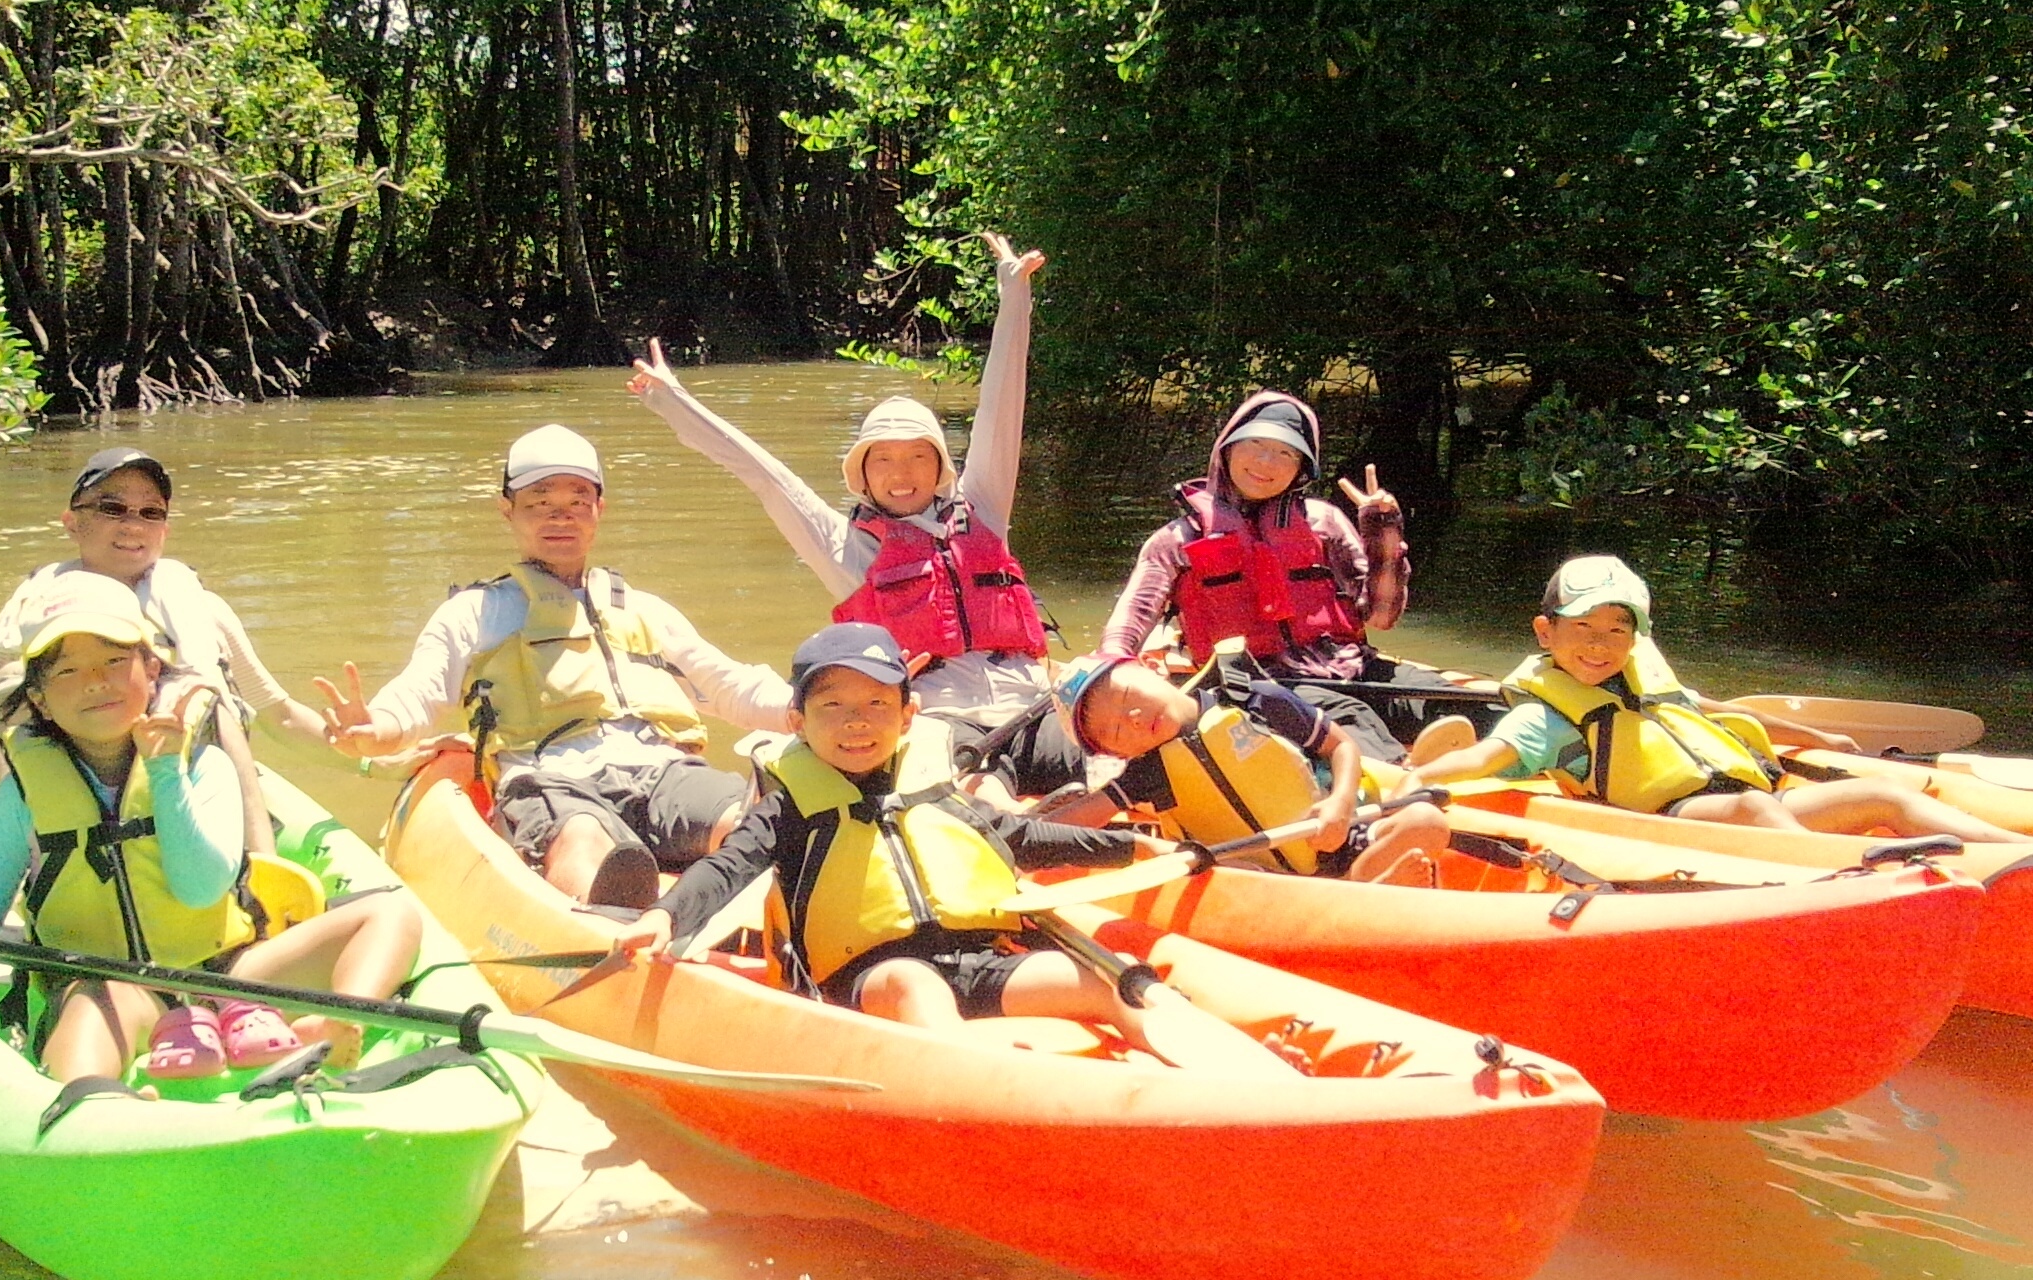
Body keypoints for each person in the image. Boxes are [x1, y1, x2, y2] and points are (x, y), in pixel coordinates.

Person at [0, 589, 421, 1100]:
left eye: (114, 661)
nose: (96, 683)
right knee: (89, 1007)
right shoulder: (25, 788)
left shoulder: (202, 765)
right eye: (68, 672)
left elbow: (200, 889)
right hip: (113, 983)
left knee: (391, 915)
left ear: (152, 670)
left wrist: (163, 770)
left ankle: (337, 1023)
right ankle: (102, 1103)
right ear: (39, 698)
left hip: (233, 973)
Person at [626, 232, 1081, 797]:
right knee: (986, 792)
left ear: (940, 466)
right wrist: (672, 399)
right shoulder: (846, 549)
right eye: (883, 459)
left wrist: (1014, 298)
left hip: (1034, 703)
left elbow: (1001, 406)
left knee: (1122, 750)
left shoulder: (982, 508)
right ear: (862, 475)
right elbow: (763, 474)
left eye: (918, 456)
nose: (901, 472)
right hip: (943, 724)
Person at [619, 626, 1186, 1047]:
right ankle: (977, 1084)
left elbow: (1017, 835)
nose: (857, 722)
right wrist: (666, 916)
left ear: (908, 714)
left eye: (876, 704)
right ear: (798, 720)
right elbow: (727, 868)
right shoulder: (788, 807)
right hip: (866, 976)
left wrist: (1130, 847)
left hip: (973, 959)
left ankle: (1202, 1077)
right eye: (832, 705)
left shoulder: (935, 789)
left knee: (1105, 980)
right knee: (915, 986)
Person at [313, 425, 790, 907]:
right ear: (508, 510)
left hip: (661, 770)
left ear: (598, 511)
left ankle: (765, 925)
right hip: (550, 778)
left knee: (749, 819)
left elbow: (731, 686)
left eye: (577, 501)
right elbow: (419, 692)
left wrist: (809, 707)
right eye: (540, 502)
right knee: (584, 841)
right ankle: (612, 931)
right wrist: (376, 729)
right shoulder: (477, 612)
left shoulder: (645, 610)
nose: (560, 517)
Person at [1415, 556, 2020, 840]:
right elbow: (1481, 760)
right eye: (1583, 631)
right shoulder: (1542, 715)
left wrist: (1822, 740)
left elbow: (1723, 713)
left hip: (1757, 798)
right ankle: (1846, 883)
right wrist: (1406, 781)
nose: (1600, 647)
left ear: (1636, 636)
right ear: (1546, 632)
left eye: (1616, 632)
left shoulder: (1647, 679)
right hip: (1677, 817)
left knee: (1883, 794)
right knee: (1756, 812)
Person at [0, 445, 325, 777]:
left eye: (150, 513)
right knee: (7, 683)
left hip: (181, 789)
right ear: (73, 523)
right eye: (112, 508)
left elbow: (279, 716)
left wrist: (369, 757)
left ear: (165, 530)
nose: (132, 525)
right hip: (54, 798)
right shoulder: (30, 607)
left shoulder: (203, 612)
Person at [1099, 391, 1468, 760]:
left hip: (1351, 668)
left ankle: (1471, 757)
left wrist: (1383, 532)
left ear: (1301, 469)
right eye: (1255, 444)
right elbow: (1126, 627)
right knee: (1353, 720)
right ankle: (1401, 786)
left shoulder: (1323, 522)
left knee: (1460, 703)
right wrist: (1111, 673)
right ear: (1226, 451)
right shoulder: (1178, 540)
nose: (1265, 462)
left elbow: (1381, 617)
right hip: (1259, 686)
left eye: (1285, 453)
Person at [1060, 655, 1454, 885]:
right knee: (1217, 866)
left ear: (1153, 668)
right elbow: (1081, 818)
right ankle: (1371, 893)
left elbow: (1342, 746)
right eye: (1113, 731)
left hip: (1333, 840)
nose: (1131, 718)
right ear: (1112, 752)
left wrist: (1340, 802)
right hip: (1263, 882)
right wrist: (1011, 834)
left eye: (1129, 696)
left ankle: (1361, 888)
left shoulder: (1254, 700)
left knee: (1426, 820)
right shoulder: (1147, 772)